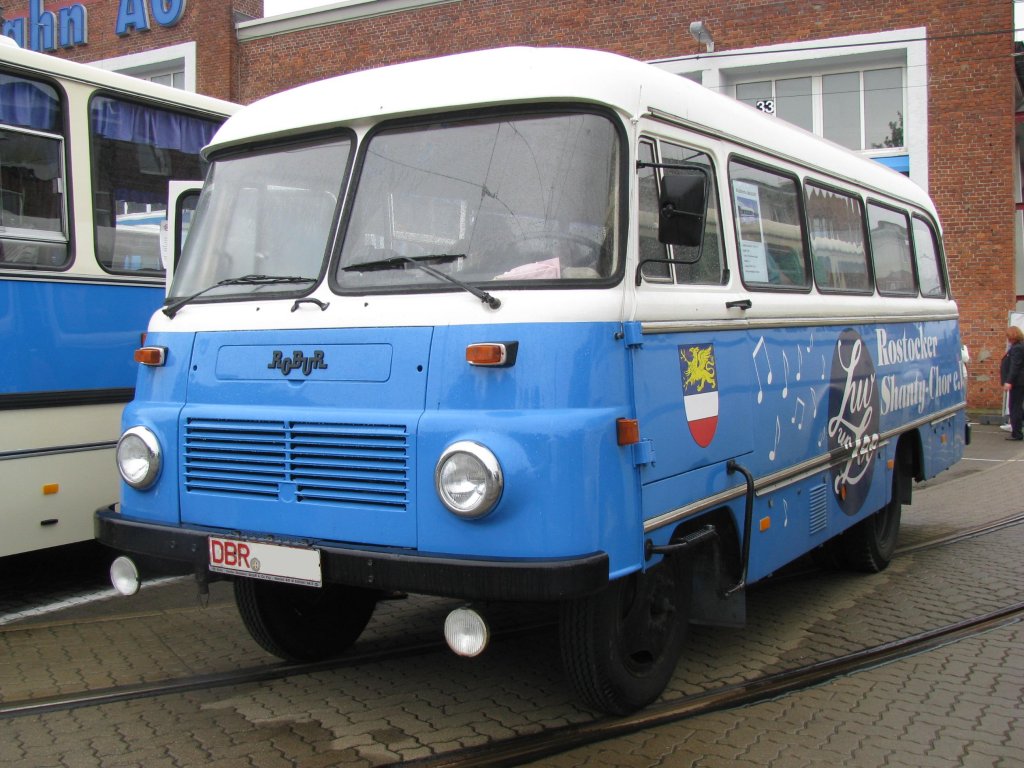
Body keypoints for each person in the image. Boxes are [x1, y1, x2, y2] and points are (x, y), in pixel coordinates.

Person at [1000, 326, 1024, 440]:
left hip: (1017, 382)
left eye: (1008, 336)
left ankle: (1017, 433)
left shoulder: (1017, 348)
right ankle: (1017, 431)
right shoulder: (1018, 346)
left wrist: (1009, 381)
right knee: (1016, 407)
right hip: (1019, 382)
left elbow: (1015, 366)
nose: (1007, 339)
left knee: (1015, 407)